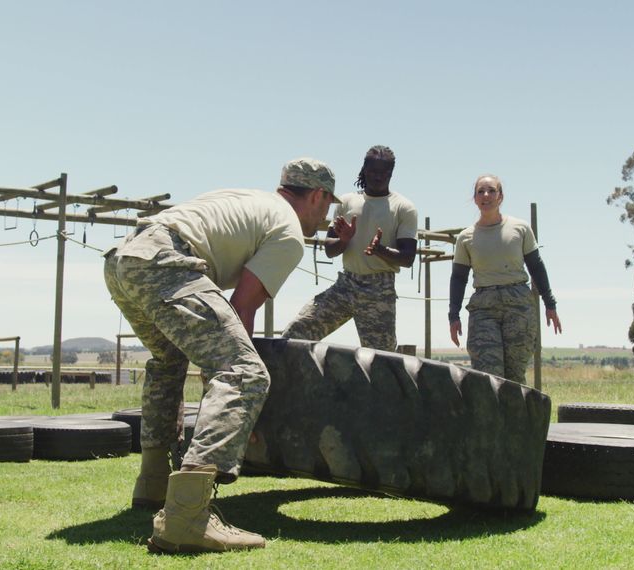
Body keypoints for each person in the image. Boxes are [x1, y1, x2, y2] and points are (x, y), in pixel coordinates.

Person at [103, 157, 337, 553]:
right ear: (317, 195)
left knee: (169, 361)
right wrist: (242, 406)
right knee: (244, 372)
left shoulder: (249, 199)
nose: (326, 217)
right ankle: (187, 518)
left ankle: (153, 485)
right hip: (167, 260)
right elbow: (241, 308)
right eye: (328, 205)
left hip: (125, 258)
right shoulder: (289, 232)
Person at [282, 145, 417, 351]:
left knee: (382, 359)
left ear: (391, 174)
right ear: (364, 170)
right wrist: (344, 240)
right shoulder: (346, 202)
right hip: (346, 284)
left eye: (383, 173)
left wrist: (380, 250)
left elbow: (408, 258)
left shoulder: (403, 207)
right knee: (296, 332)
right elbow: (330, 250)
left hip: (379, 290)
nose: (378, 177)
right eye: (372, 172)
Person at [448, 174, 562, 384]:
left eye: (491, 190)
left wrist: (550, 304)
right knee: (488, 377)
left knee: (514, 376)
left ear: (501, 196)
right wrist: (453, 315)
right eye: (480, 191)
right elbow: (458, 278)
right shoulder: (466, 237)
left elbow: (536, 266)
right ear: (474, 199)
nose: (486, 195)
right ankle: (490, 418)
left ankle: (518, 417)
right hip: (484, 308)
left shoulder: (520, 228)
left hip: (518, 305)